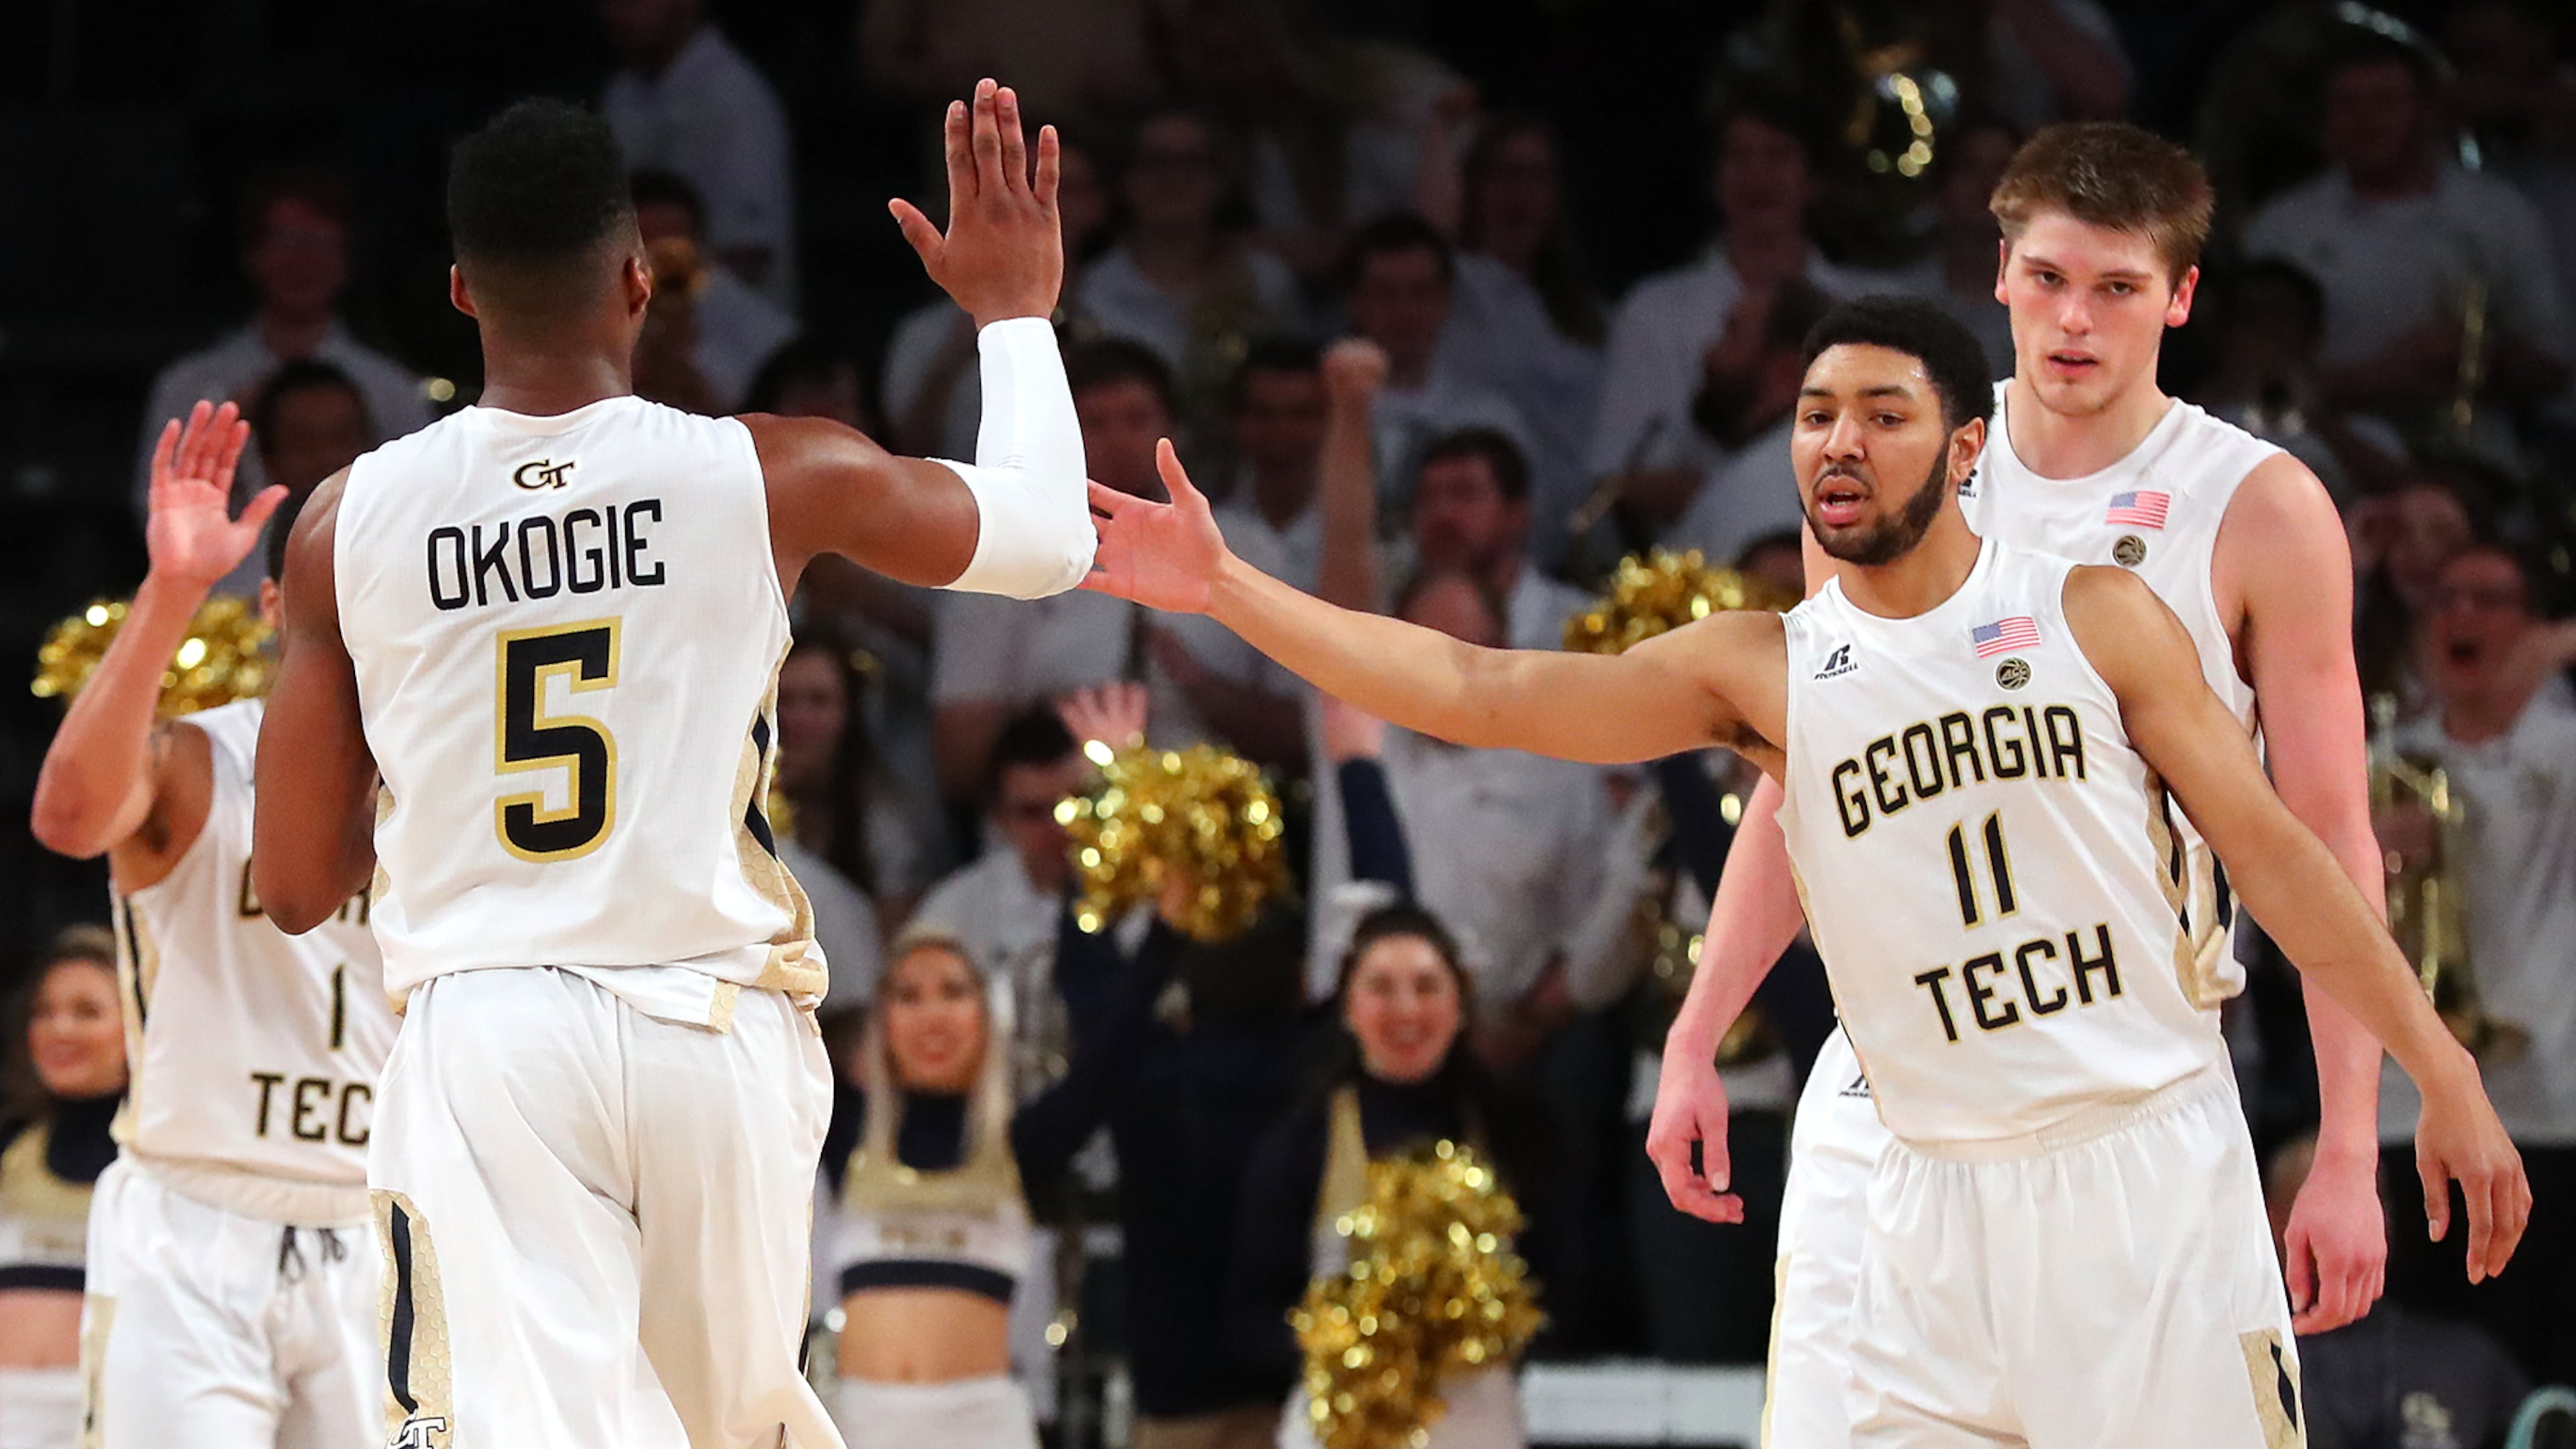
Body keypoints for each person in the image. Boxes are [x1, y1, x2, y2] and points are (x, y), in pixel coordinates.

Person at [1080, 292, 2527, 1446]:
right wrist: (1226, 591)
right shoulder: (1768, 667)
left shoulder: (2096, 614)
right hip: (1918, 1194)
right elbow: (1477, 686)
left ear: (1971, 447)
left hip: (2134, 1164)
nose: (1839, 442)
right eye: (1816, 414)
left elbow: (2278, 854)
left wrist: (2434, 1074)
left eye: (1884, 416)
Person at [248, 87, 1094, 1449]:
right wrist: (1010, 314)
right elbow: (1053, 539)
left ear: (463, 291)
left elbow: (292, 883)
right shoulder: (765, 471)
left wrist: (431, 768)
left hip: (496, 1028)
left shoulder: (345, 522)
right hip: (717, 1028)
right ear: (642, 280)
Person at [1646, 122, 2420, 1448]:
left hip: (2127, 1106)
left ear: (2179, 297)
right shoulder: (1897, 451)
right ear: (1999, 272)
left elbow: (2333, 836)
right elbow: (1811, 771)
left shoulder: (2260, 509)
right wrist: (1699, 1027)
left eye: (2118, 287)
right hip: (1898, 1105)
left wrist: (2351, 1142)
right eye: (2051, 278)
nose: (2076, 321)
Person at [29, 421, 394, 1449]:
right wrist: (174, 593)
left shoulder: (457, 781)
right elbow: (65, 823)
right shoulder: (199, 761)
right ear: (275, 606)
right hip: (194, 1223)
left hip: (384, 1226)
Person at [817, 920, 1178, 1449]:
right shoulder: (841, 1133)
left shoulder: (1021, 1148)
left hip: (984, 1428)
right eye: (909, 996)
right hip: (856, 1426)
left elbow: (1109, 1060)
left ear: (988, 1016)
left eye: (955, 992)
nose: (933, 1014)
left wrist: (1166, 931)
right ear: (882, 1021)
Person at [1230, 904, 1553, 1449]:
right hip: (1344, 1423)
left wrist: (1479, 1324)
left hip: (1478, 1422)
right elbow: (1249, 1315)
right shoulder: (1301, 1141)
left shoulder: (1515, 1132)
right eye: (1381, 987)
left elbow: (1557, 1285)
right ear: (1348, 1007)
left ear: (1460, 1003)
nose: (1406, 1009)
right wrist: (1351, 1343)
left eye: (1427, 986)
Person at [2373, 543, 2576, 1386]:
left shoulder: (2565, 747)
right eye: (2448, 598)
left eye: (2493, 600)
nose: (2464, 617)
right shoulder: (2388, 756)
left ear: (2531, 625)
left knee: (2543, 1365)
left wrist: (2560, 648)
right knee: (2431, 1373)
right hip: (2411, 1113)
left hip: (2551, 1104)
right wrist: (2364, 861)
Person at [2242, 32, 2569, 468]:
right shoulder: (2283, 225)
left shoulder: (2497, 213)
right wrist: (2380, 378)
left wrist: (2478, 357)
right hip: (2318, 461)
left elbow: (2555, 364)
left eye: (2385, 102)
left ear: (2427, 111)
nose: (2365, 121)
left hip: (2470, 467)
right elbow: (2246, 374)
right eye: (2348, 104)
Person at [133, 168, 429, 527]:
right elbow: (152, 509)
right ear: (251, 255)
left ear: (347, 260)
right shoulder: (189, 384)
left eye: (320, 243)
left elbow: (420, 510)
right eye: (287, 240)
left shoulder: (392, 390)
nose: (302, 261)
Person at [2267, 1135, 2532, 1449]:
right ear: (2271, 1218)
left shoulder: (2466, 1358)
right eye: (2325, 1203)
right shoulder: (2241, 1358)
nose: (2349, 1222)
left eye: (2368, 1201)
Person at [1069, 110, 1307, 427]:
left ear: (1222, 178)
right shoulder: (1088, 288)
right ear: (1126, 178)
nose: (1174, 179)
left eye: (1193, 163)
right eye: (1156, 162)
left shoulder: (1267, 283)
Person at [0, 928, 125, 1449]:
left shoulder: (167, 1166)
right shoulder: (11, 1147)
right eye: (44, 1012)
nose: (58, 1028)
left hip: (110, 1417)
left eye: (86, 1011)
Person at [1340, 215, 1537, 521]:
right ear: (1353, 303)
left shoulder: (1490, 420)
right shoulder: (1317, 415)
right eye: (1385, 293)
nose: (1404, 312)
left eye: (1420, 293)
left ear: (1446, 302)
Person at [602, 0, 796, 304]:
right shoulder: (621, 93)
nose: (618, 12)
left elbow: (751, 254)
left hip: (737, 333)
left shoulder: (735, 96)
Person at [775, 621, 895, 1008]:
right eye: (783, 700)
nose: (797, 720)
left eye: (818, 701)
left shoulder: (889, 825)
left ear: (850, 715)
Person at [1407, 428, 1591, 653]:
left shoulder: (1582, 627)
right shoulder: (1381, 624)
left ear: (1516, 513)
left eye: (1464, 493)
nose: (1442, 513)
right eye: (1428, 497)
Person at [631, 168, 799, 412]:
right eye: (648, 240)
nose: (663, 259)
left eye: (675, 244)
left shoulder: (744, 315)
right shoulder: (586, 318)